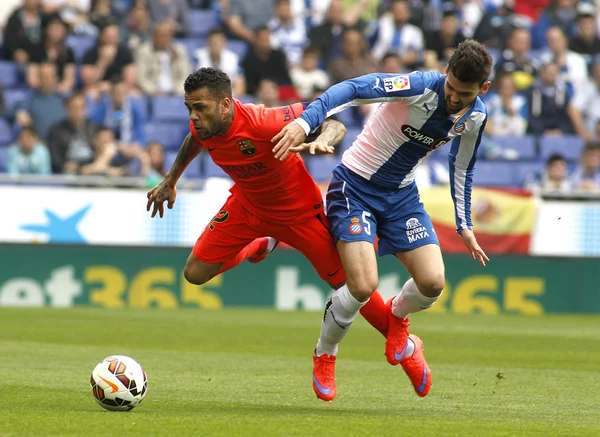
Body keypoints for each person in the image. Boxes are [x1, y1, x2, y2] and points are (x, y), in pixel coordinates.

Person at [145, 70, 390, 396]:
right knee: (195, 272)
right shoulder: (203, 125)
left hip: (299, 213)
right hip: (248, 207)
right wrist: (171, 180)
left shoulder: (266, 121)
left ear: (226, 106)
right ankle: (261, 243)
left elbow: (335, 123)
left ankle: (399, 339)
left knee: (350, 285)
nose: (193, 116)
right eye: (189, 107)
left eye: (200, 107)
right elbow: (195, 139)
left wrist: (322, 140)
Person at [273, 39, 493, 401]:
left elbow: (462, 167)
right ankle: (325, 353)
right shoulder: (420, 86)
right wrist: (304, 121)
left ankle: (397, 319)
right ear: (445, 73)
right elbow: (354, 88)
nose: (454, 98)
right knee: (361, 286)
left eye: (464, 94)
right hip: (355, 188)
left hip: (402, 197)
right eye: (451, 87)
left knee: (433, 283)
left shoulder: (477, 116)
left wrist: (464, 225)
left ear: (482, 89)